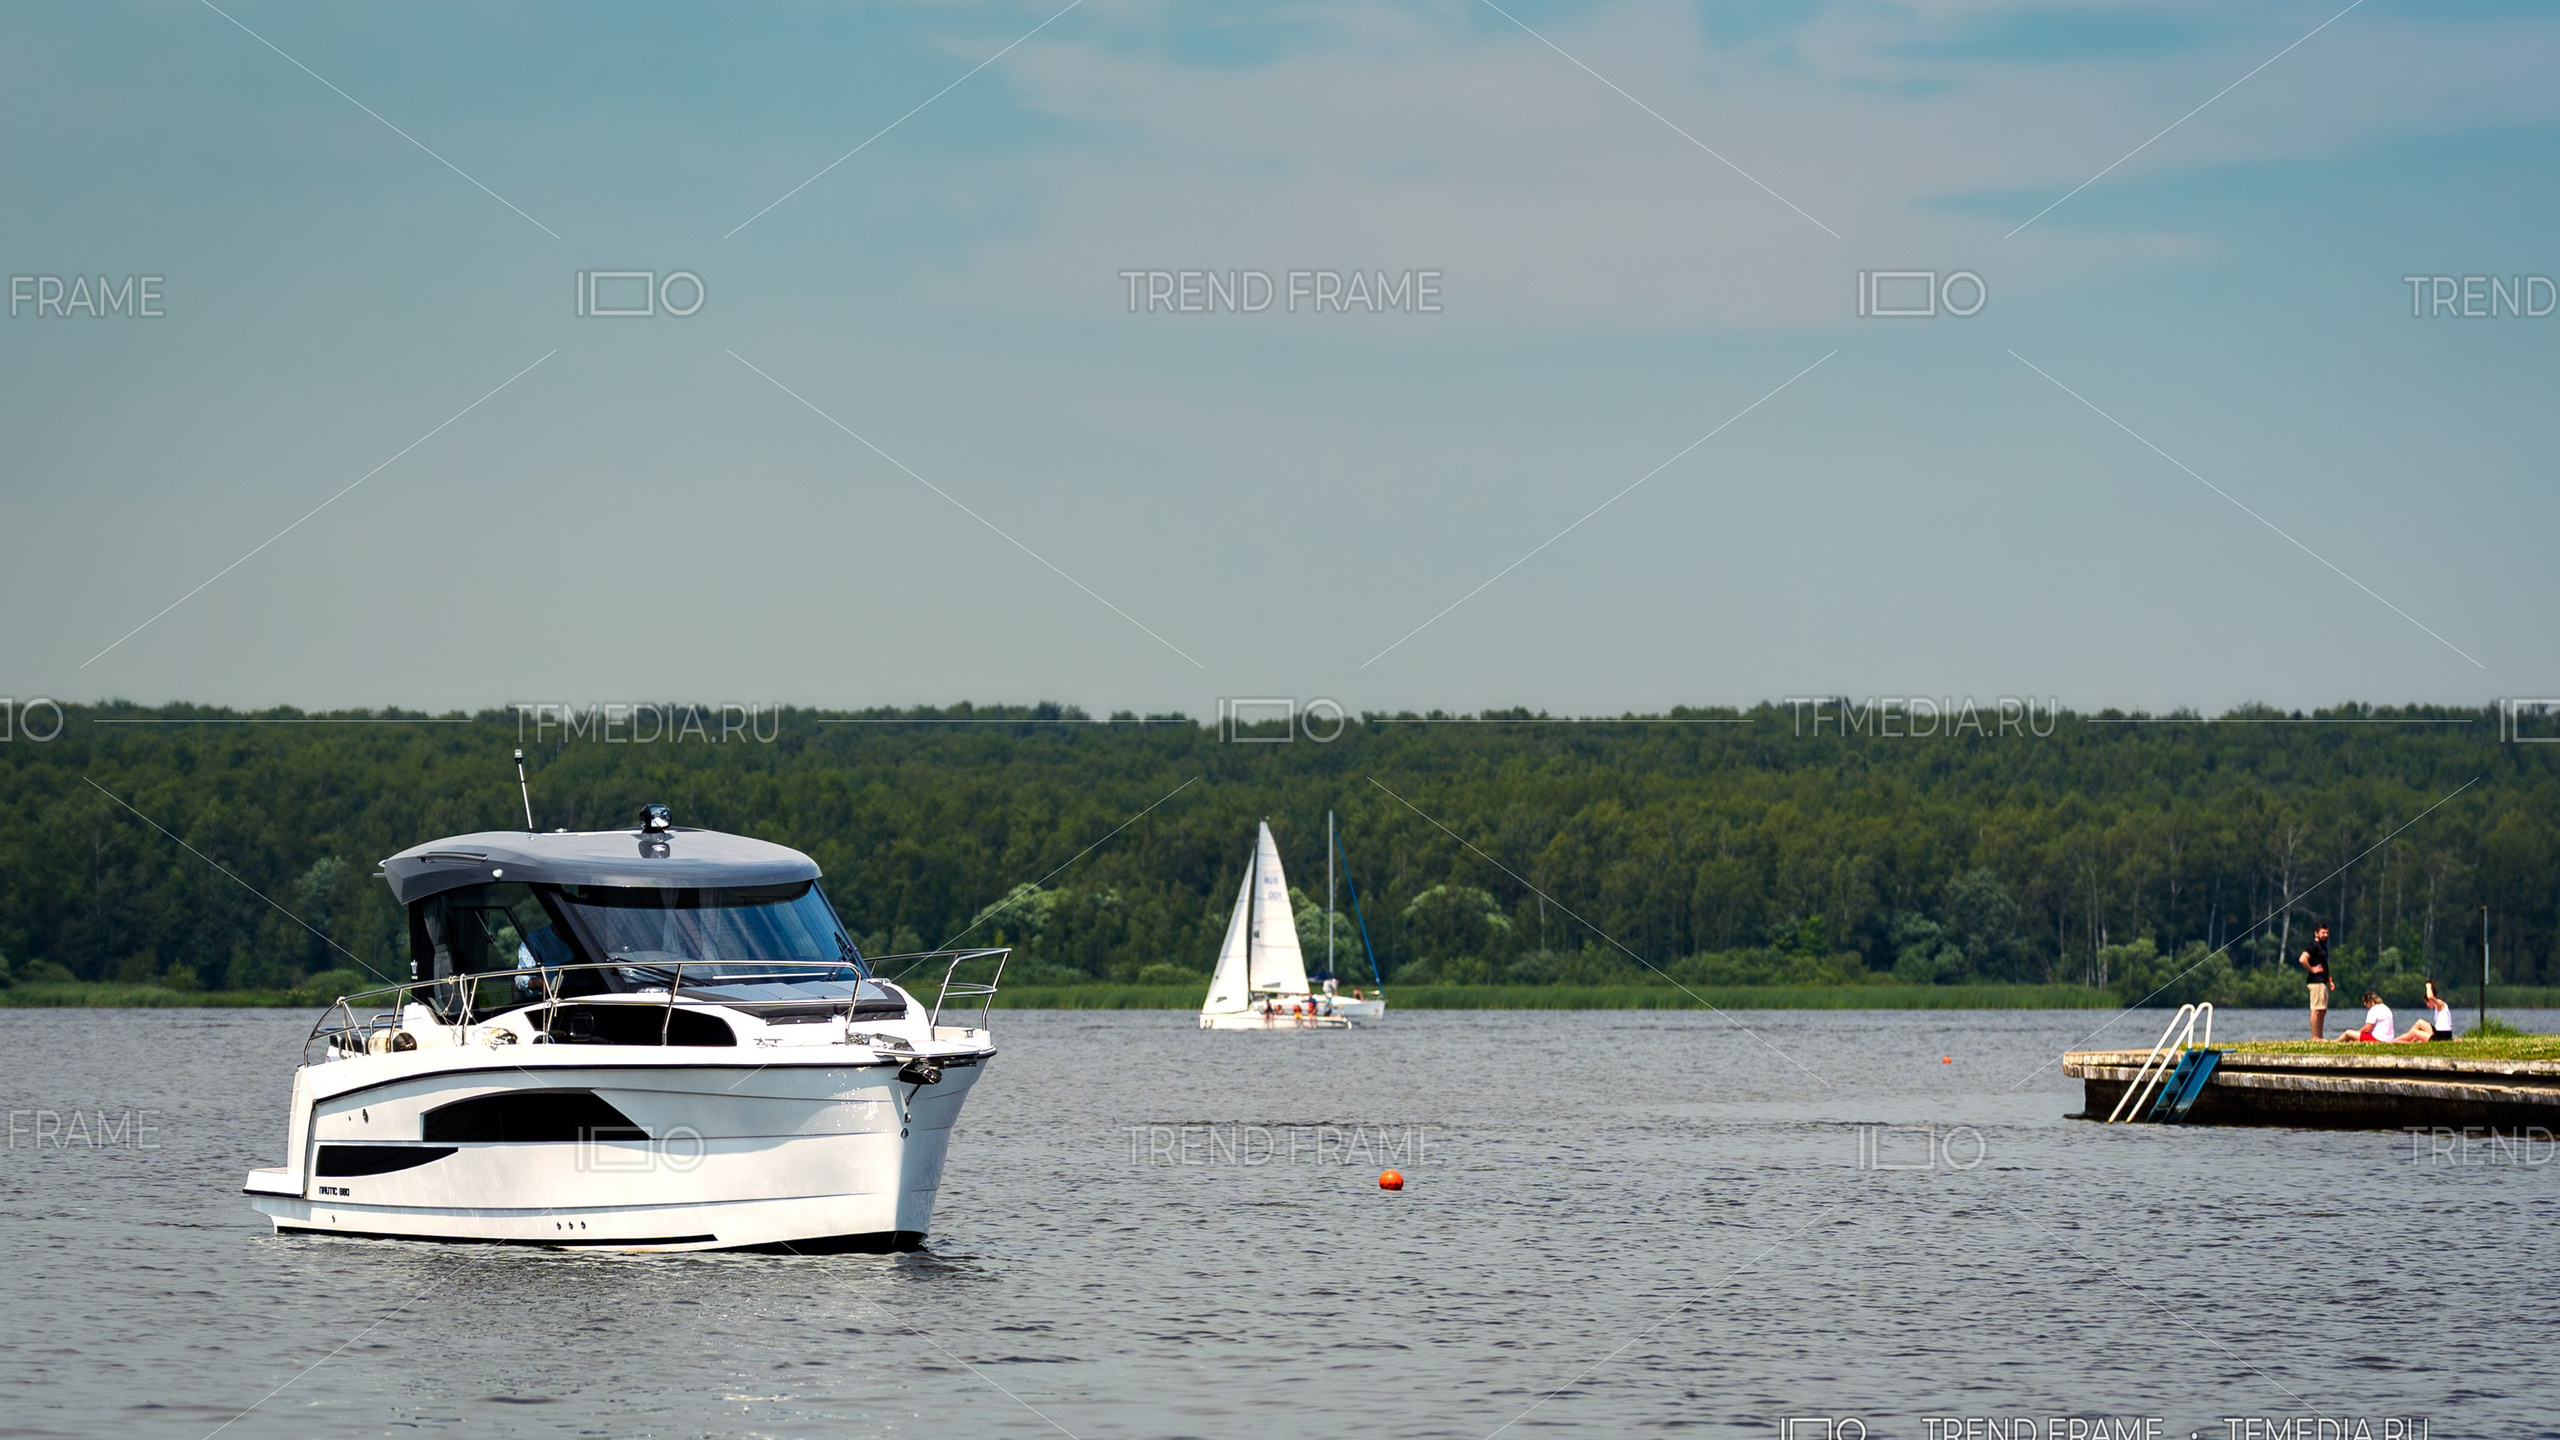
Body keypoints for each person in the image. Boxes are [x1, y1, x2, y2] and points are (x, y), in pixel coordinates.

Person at [2297, 924, 2335, 1040]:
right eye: (2323, 933)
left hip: (2322, 982)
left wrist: (2329, 980)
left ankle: (2320, 1036)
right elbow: (2302, 959)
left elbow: (2324, 965)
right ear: (2316, 933)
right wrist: (2312, 969)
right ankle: (2315, 1037)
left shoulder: (2322, 946)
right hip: (2315, 982)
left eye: (2327, 933)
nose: (2325, 935)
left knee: (2322, 1010)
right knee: (2316, 1010)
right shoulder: (2313, 946)